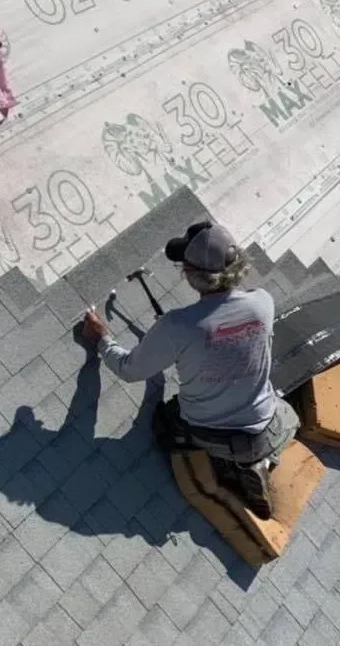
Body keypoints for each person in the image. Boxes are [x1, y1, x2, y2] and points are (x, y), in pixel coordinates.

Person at [82, 220, 298, 518]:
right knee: (289, 416)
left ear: (193, 275)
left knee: (165, 422)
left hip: (208, 432)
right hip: (265, 427)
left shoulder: (177, 325)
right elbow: (227, 334)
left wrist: (102, 338)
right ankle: (257, 461)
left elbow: (129, 371)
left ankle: (229, 462)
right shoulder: (263, 302)